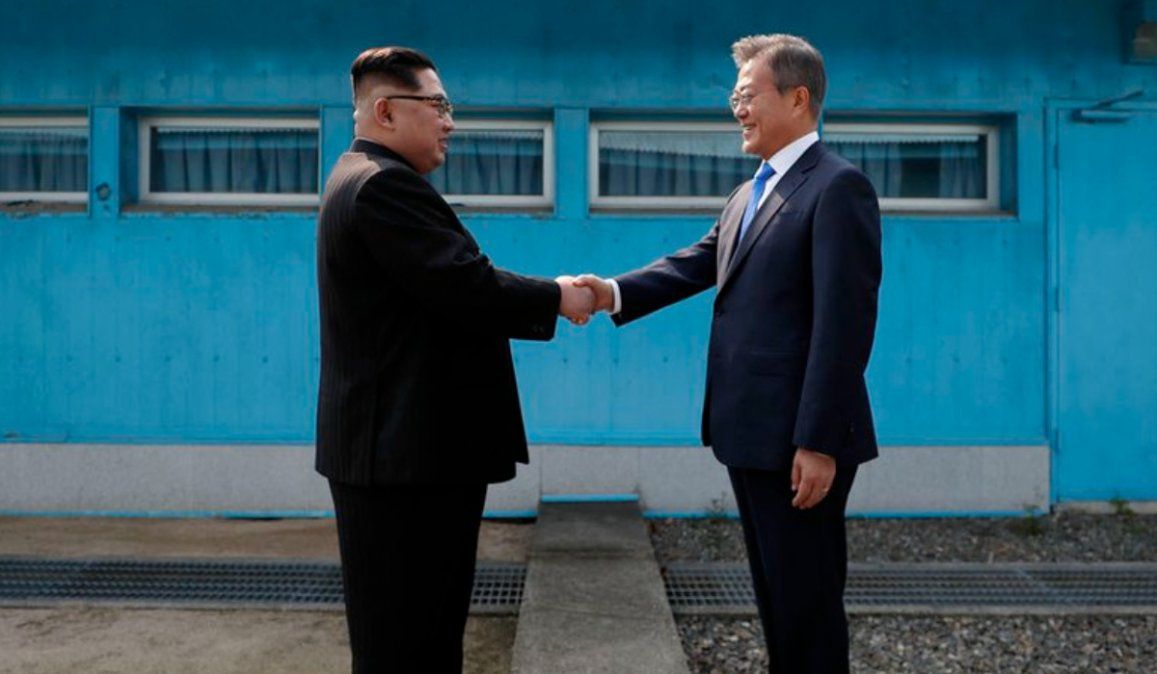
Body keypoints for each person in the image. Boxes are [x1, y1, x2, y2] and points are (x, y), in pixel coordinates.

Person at [575, 34, 882, 673]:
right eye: (733, 97)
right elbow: (697, 262)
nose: (736, 109)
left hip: (798, 438)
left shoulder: (838, 187)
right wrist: (611, 292)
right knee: (777, 597)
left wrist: (818, 441)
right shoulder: (750, 192)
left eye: (747, 95)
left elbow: (843, 326)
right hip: (750, 430)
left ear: (798, 98)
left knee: (807, 602)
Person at [315, 46, 593, 673]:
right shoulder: (383, 186)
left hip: (398, 457)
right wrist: (559, 296)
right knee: (412, 643)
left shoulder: (362, 177)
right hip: (404, 463)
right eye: (437, 105)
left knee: (411, 638)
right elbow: (466, 286)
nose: (450, 121)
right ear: (386, 111)